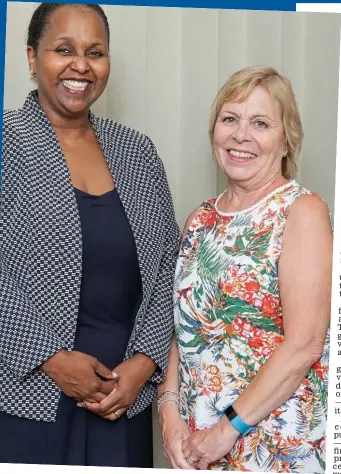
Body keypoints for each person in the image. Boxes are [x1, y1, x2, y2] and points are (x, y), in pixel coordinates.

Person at [0, 2, 179, 467]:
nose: (81, 65)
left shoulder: (137, 152)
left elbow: (169, 269)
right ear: (31, 58)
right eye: (64, 49)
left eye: (95, 52)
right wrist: (52, 359)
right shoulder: (7, 140)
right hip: (26, 394)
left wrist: (144, 361)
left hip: (124, 398)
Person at [158, 66, 332, 472]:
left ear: (287, 140)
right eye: (230, 119)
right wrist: (169, 415)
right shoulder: (199, 219)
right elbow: (180, 330)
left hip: (271, 444)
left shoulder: (302, 212)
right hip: (196, 445)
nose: (241, 135)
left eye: (260, 123)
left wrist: (226, 430)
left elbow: (305, 344)